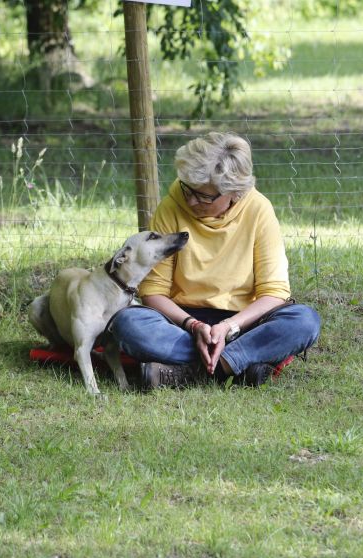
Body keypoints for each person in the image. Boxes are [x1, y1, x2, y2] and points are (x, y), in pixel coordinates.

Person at [108, 132, 320, 389]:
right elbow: (153, 292)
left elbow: (274, 293)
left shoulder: (259, 210)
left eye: (204, 196)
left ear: (235, 192)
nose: (190, 200)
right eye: (188, 189)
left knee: (305, 321)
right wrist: (194, 325)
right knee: (127, 324)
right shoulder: (170, 207)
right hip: (182, 323)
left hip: (244, 323)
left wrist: (229, 327)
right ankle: (238, 365)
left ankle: (192, 372)